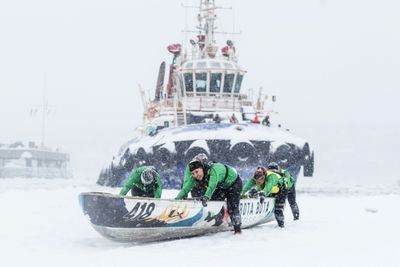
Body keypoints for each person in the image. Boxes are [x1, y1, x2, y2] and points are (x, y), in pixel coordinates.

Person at [175, 157, 243, 234]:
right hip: (221, 186)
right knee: (214, 202)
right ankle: (217, 219)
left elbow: (212, 185)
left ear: (202, 168)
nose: (195, 175)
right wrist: (176, 200)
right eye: (193, 173)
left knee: (232, 205)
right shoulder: (195, 177)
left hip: (234, 184)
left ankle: (237, 228)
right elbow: (185, 189)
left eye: (197, 172)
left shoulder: (213, 170)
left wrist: (206, 197)